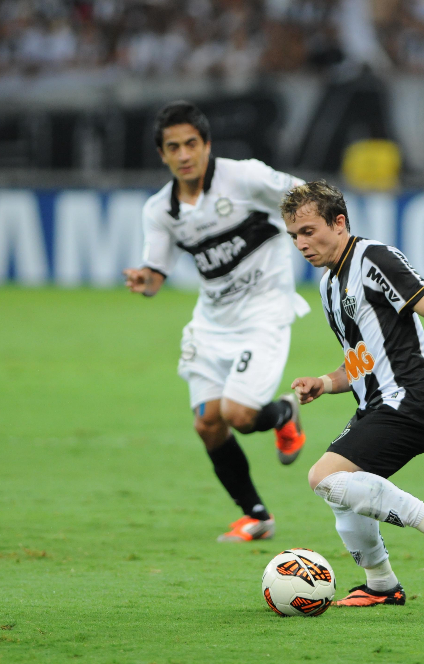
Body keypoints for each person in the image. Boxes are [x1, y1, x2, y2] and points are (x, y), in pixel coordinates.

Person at [283, 181, 424, 606]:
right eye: (294, 235)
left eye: (309, 231)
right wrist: (327, 383)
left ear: (339, 222)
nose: (301, 243)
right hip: (376, 404)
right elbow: (365, 357)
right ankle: (381, 585)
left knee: (324, 477)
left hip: (413, 399)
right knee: (342, 495)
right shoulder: (329, 286)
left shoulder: (374, 258)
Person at [123, 101, 310, 543]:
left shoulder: (245, 177)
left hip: (264, 311)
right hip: (212, 322)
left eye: (192, 143)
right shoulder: (160, 210)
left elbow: (305, 197)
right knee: (208, 423)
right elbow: (156, 275)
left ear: (207, 145)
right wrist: (144, 280)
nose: (184, 154)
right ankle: (257, 515)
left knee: (239, 415)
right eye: (174, 147)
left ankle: (284, 412)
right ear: (162, 155)